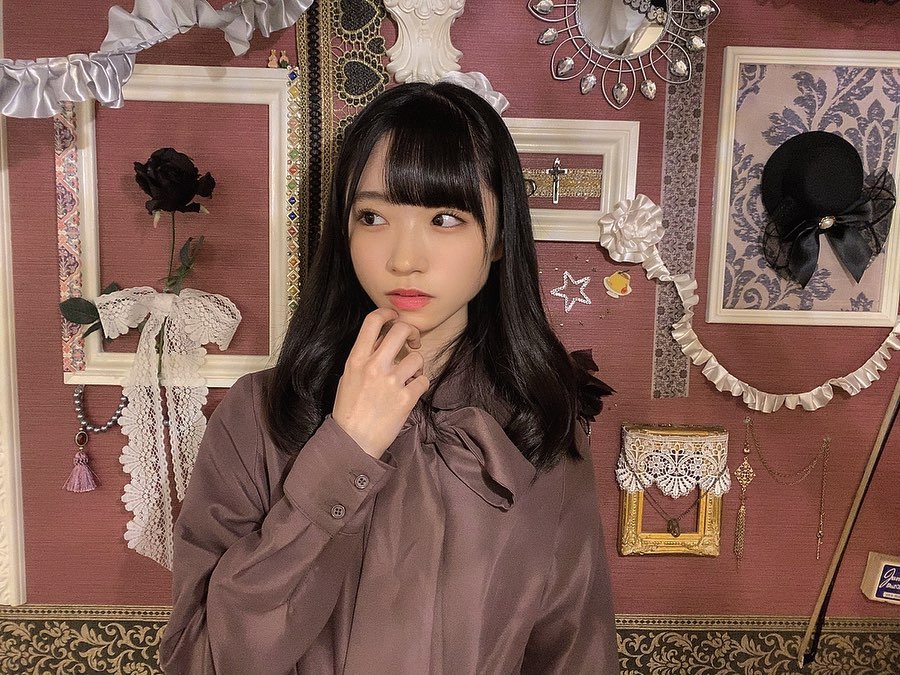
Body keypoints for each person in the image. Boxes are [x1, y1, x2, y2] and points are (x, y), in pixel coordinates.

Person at [159, 81, 619, 674]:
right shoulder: (259, 414)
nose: (404, 258)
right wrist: (344, 453)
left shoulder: (539, 425)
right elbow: (200, 661)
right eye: (373, 217)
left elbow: (575, 654)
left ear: (501, 237)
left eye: (445, 218)